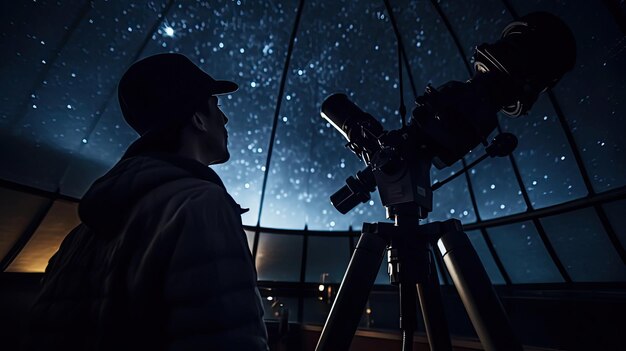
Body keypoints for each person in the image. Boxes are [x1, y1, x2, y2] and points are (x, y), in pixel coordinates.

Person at [23, 53, 269, 350]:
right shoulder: (202, 207)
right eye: (216, 105)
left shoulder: (80, 237)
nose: (225, 117)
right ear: (197, 118)